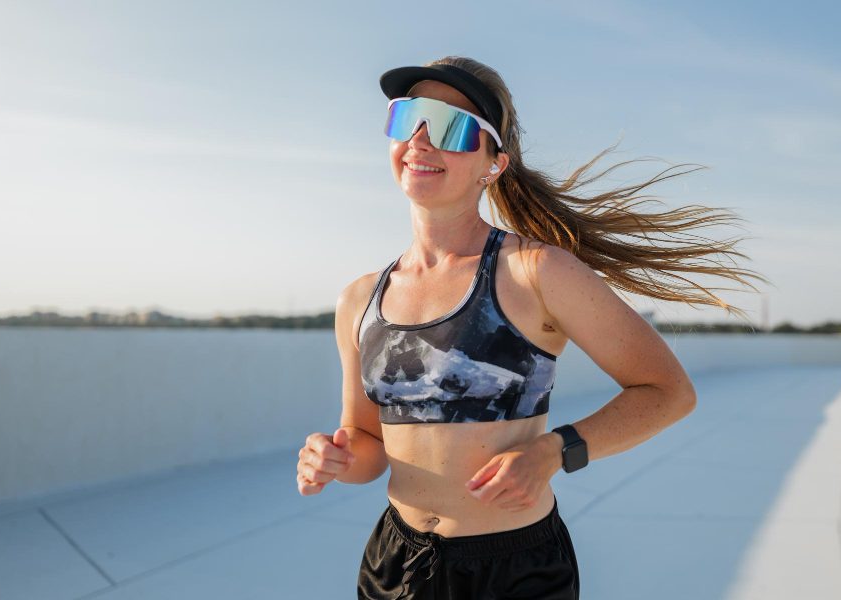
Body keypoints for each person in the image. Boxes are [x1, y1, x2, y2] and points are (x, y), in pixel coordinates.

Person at [297, 56, 767, 599]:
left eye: (451, 127)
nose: (422, 141)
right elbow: (369, 444)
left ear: (493, 164)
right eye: (407, 119)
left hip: (515, 570)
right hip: (395, 567)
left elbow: (669, 392)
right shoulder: (359, 299)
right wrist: (336, 458)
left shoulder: (536, 272)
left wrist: (553, 451)